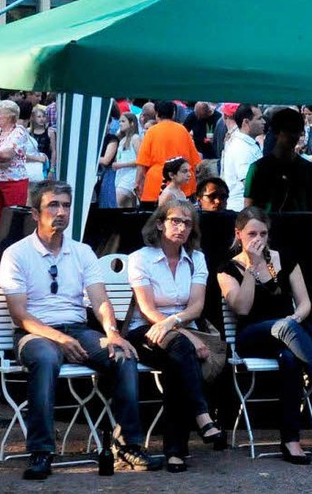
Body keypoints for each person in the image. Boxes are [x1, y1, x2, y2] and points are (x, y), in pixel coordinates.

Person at [0, 180, 162, 479]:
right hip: (34, 333)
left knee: (123, 354)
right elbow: (20, 315)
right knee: (47, 358)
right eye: (53, 205)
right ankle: (41, 452)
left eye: (65, 205)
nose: (61, 212)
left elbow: (100, 300)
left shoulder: (82, 252)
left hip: (76, 329)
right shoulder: (17, 254)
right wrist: (59, 338)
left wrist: (112, 332)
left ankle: (127, 447)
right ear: (36, 213)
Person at [218, 208, 312, 464]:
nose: (258, 239)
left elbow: (304, 304)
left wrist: (295, 319)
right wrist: (251, 268)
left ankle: (291, 440)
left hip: (288, 332)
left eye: (263, 233)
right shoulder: (228, 268)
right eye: (252, 233)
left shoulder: (284, 260)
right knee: (283, 328)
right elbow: (242, 307)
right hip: (251, 337)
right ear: (239, 234)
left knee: (289, 358)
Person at [125, 200, 223, 473]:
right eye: (175, 221)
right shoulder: (140, 258)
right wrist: (185, 334)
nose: (181, 227)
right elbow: (146, 310)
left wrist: (176, 324)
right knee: (181, 347)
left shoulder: (197, 258)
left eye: (187, 223)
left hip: (178, 329)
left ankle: (175, 452)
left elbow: (196, 306)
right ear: (160, 223)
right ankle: (202, 415)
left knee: (175, 364)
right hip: (144, 330)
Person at [245, 108, 312, 213]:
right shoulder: (258, 168)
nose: (293, 136)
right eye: (288, 131)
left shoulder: (308, 167)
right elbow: (248, 209)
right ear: (276, 132)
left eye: (297, 131)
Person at [135, 100, 202, 208]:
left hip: (155, 185)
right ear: (174, 114)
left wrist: (138, 183)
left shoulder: (151, 131)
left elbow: (142, 163)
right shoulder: (183, 130)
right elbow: (195, 162)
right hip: (182, 184)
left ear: (157, 114)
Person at [0, 100, 31, 246]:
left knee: (14, 219)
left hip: (14, 182)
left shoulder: (19, 132)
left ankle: (14, 251)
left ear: (9, 116)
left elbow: (7, 155)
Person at [221, 104, 264, 212]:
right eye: (259, 119)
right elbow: (248, 183)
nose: (264, 122)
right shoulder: (241, 147)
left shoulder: (248, 144)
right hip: (242, 210)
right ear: (246, 122)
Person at [112, 112, 141, 208]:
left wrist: (121, 165)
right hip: (120, 176)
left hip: (131, 176)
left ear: (132, 123)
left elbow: (140, 160)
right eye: (120, 121)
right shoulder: (122, 140)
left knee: (117, 202)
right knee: (126, 206)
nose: (120, 123)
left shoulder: (136, 138)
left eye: (123, 121)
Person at [29, 105, 56, 180]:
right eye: (39, 117)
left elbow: (54, 151)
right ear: (33, 118)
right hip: (32, 165)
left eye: (43, 116)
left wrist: (52, 169)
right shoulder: (28, 132)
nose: (42, 119)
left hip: (45, 164)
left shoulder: (50, 132)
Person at [96, 133, 119, 208]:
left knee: (108, 201)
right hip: (97, 175)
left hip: (108, 173)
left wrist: (90, 158)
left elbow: (106, 160)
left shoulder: (112, 139)